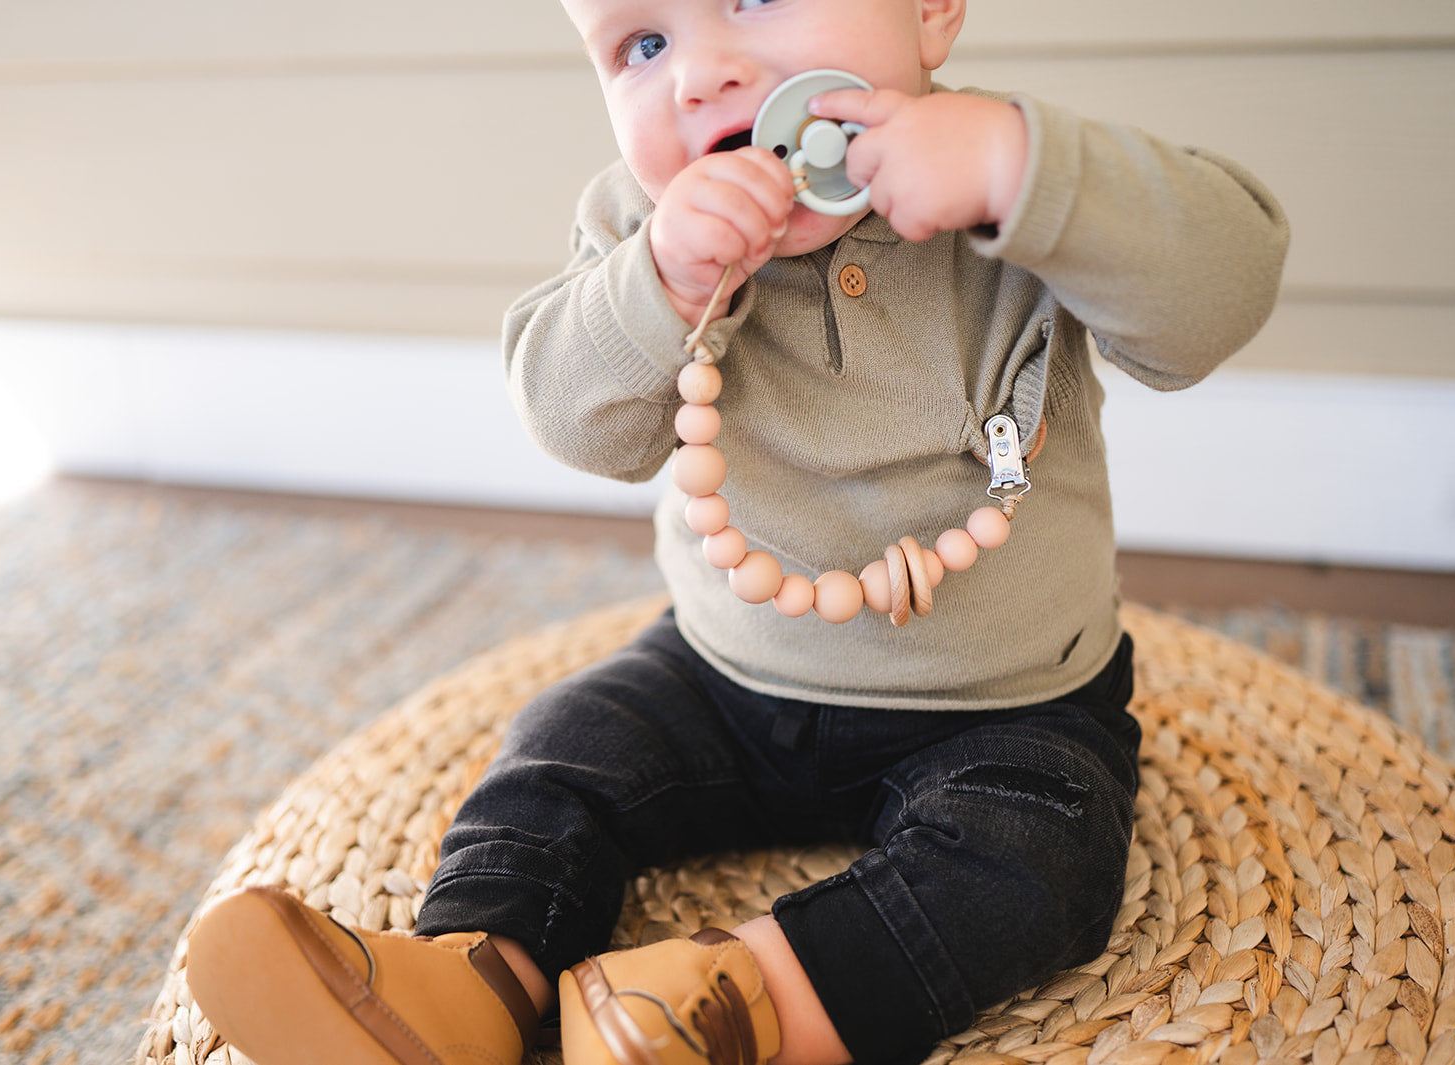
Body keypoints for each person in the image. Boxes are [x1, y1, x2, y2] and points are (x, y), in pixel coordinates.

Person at [184, 0, 1289, 1063]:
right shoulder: (640, 227)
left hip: (1003, 705)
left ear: (932, 9)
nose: (698, 70)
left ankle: (739, 1003)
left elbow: (1219, 294)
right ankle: (475, 975)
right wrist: (659, 284)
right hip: (723, 676)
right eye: (641, 41)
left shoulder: (1016, 184)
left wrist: (1020, 171)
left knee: (1039, 863)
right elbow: (578, 425)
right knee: (564, 747)